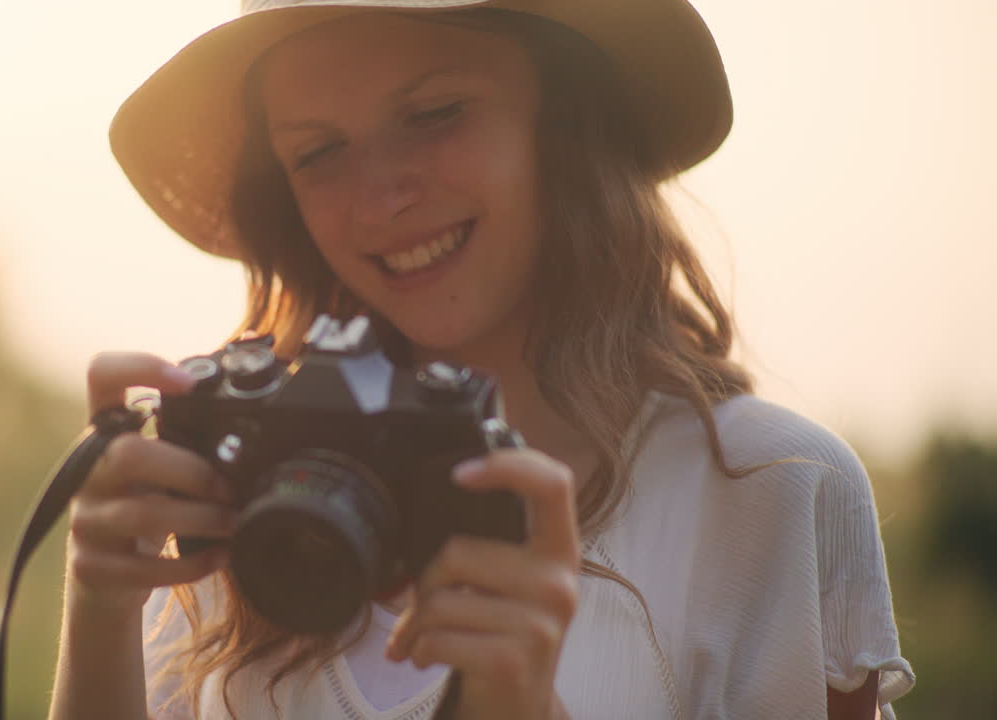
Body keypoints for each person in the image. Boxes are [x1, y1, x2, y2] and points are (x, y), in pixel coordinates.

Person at [48, 1, 914, 718]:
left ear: (563, 120)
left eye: (434, 114)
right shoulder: (242, 490)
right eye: (318, 152)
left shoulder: (772, 494)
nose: (382, 194)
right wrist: (97, 607)